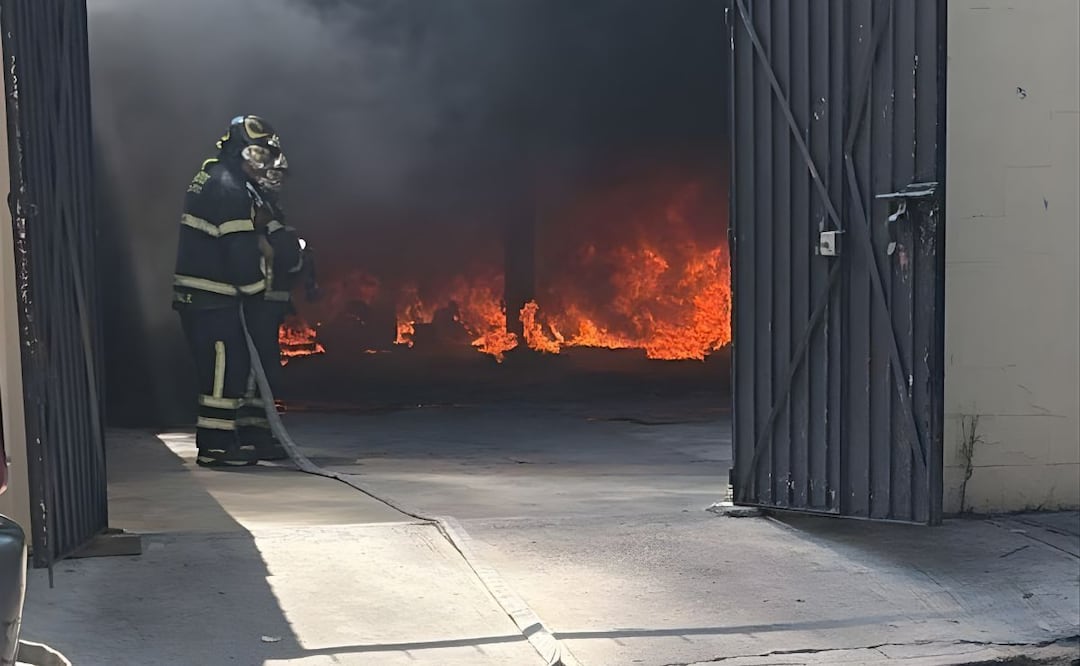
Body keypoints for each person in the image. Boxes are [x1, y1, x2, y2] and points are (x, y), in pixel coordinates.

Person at [172, 115, 289, 467]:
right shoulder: (229, 188)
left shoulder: (222, 178)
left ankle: (232, 440)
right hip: (211, 298)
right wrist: (255, 291)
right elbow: (239, 248)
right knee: (223, 372)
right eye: (259, 154)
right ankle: (216, 446)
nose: (263, 163)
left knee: (232, 368)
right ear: (242, 151)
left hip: (210, 297)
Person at [235, 192, 309, 461]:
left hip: (263, 313)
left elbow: (291, 265)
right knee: (256, 376)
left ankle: (256, 433)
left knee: (260, 375)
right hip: (256, 313)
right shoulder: (262, 237)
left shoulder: (275, 236)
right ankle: (254, 434)